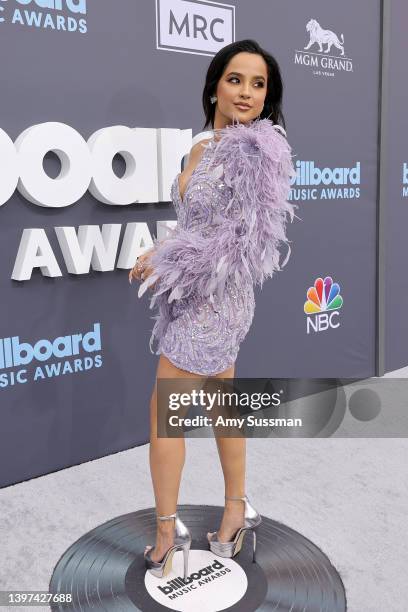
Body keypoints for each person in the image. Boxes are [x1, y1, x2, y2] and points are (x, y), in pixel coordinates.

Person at [129, 39, 299, 580]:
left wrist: (170, 264)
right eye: (236, 79)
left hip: (216, 300)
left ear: (268, 96)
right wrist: (162, 252)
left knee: (166, 415)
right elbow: (198, 226)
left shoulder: (259, 151)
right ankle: (234, 512)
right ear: (215, 85)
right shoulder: (204, 143)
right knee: (223, 400)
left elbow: (240, 243)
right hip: (196, 294)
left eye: (258, 84)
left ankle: (165, 533)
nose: (246, 92)